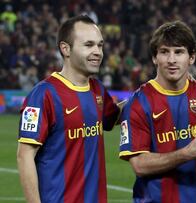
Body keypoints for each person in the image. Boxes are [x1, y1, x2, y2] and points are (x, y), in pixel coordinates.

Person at [119, 20, 196, 202]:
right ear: (155, 57)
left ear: (192, 57)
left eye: (179, 52)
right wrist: (187, 153)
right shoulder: (139, 102)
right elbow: (140, 165)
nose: (172, 60)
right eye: (164, 52)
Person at [16, 15, 121, 203]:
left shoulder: (97, 89)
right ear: (65, 49)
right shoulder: (43, 95)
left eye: (100, 45)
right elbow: (24, 156)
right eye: (88, 45)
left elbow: (116, 116)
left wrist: (149, 93)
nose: (97, 51)